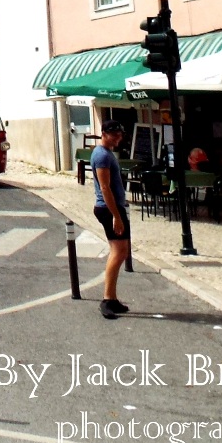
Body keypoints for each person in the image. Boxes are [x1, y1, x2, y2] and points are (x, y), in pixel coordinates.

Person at [92, 123, 131, 319]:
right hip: (109, 209)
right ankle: (107, 299)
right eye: (114, 134)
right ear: (104, 134)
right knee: (118, 252)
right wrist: (116, 215)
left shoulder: (106, 153)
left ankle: (112, 298)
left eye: (120, 134)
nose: (118, 138)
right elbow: (105, 187)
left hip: (113, 208)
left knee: (121, 251)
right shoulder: (102, 156)